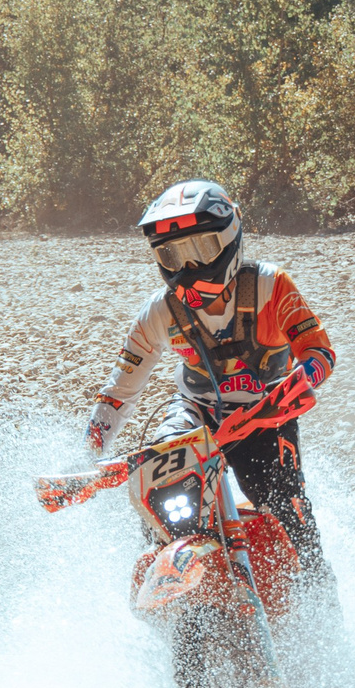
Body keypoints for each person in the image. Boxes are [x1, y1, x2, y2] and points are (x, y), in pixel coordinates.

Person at [86, 178, 338, 595]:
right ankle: (165, 588)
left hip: (268, 414)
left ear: (229, 237)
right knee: (159, 502)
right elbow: (118, 393)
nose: (187, 268)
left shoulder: (272, 285)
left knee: (291, 513)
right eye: (172, 255)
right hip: (195, 414)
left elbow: (319, 351)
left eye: (200, 250)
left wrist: (300, 380)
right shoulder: (158, 311)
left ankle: (322, 606)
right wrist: (88, 455)